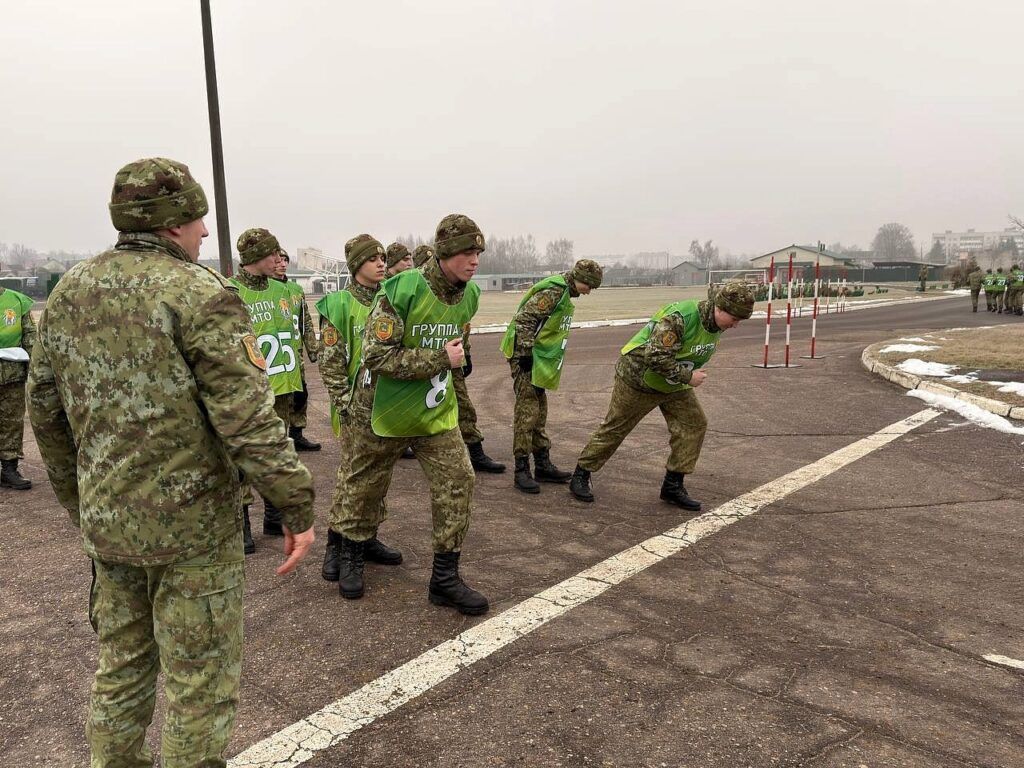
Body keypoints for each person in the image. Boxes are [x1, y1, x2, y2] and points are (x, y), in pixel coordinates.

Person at [26, 157, 315, 768]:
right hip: (193, 532)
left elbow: (45, 415)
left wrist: (85, 506)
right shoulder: (200, 295)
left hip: (110, 526)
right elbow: (246, 418)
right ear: (171, 223)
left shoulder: (69, 292)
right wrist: (294, 502)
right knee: (198, 688)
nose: (205, 231)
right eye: (196, 217)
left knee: (121, 672)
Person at [337, 214, 490, 615]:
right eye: (466, 252)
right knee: (365, 485)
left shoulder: (470, 295)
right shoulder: (402, 289)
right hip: (382, 408)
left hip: (433, 411)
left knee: (459, 479)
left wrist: (459, 359)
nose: (474, 260)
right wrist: (442, 357)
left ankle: (445, 578)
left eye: (478, 252)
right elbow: (377, 354)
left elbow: (458, 342)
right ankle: (352, 554)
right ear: (443, 253)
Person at [569, 282, 755, 510]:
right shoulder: (679, 318)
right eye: (734, 319)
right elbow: (655, 357)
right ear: (719, 307)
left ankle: (673, 485)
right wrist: (688, 377)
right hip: (638, 379)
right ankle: (581, 474)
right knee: (615, 428)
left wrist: (683, 377)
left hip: (672, 383)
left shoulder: (716, 325)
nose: (735, 325)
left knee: (693, 424)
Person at [316, 235, 403, 585]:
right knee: (353, 479)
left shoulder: (393, 298)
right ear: (355, 265)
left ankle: (366, 536)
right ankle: (336, 545)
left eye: (383, 257)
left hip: (388, 404)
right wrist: (344, 403)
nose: (381, 263)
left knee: (379, 477)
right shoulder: (338, 304)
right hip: (355, 406)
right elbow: (331, 362)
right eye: (373, 259)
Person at [500, 259, 603, 493]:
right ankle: (521, 470)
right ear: (581, 279)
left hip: (539, 359)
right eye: (590, 286)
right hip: (526, 356)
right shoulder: (554, 291)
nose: (589, 292)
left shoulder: (565, 292)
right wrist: (524, 352)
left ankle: (543, 464)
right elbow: (525, 319)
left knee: (540, 410)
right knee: (527, 412)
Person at [231, 228, 305, 550]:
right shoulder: (230, 293)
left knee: (278, 453)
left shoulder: (283, 291)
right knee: (244, 459)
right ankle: (242, 521)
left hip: (283, 389)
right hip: (249, 394)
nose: (279, 259)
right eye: (273, 253)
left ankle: (273, 515)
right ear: (255, 257)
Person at [273, 248, 322, 450]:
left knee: (300, 394)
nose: (283, 264)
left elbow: (305, 322)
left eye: (285, 260)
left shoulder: (296, 290)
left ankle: (297, 433)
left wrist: (312, 348)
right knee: (278, 398)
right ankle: (277, 439)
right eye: (279, 260)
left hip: (295, 352)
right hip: (276, 353)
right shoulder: (266, 290)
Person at [0, 282, 36, 489]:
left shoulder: (17, 301)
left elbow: (30, 337)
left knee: (11, 422)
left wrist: (37, 368)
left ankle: (9, 470)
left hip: (11, 375)